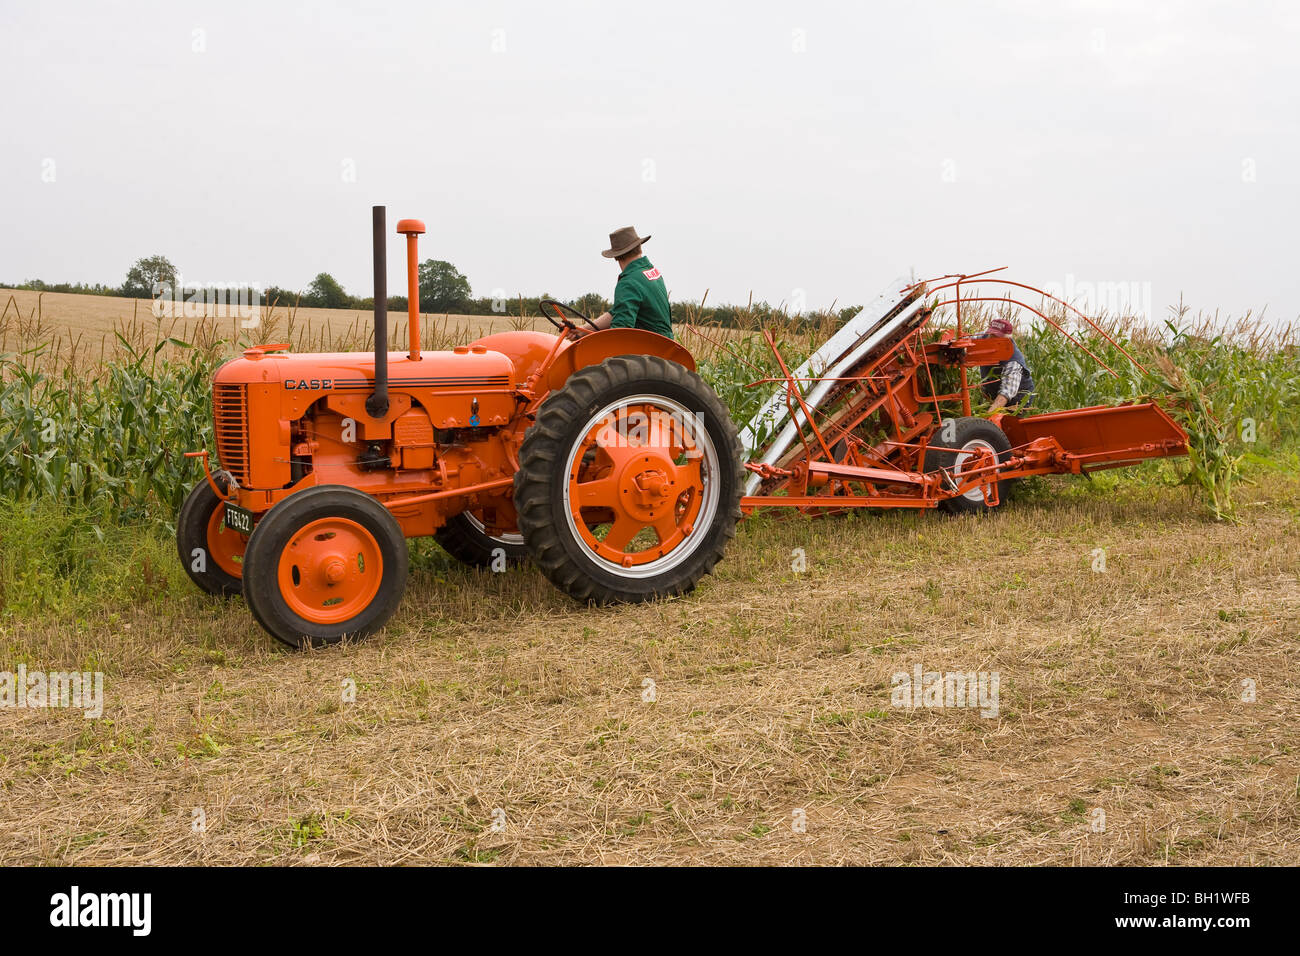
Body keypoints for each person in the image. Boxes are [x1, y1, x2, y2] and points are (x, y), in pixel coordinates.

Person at [573, 226, 673, 340]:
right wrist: (582, 331)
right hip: (665, 344)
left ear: (616, 256)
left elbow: (621, 330)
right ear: (639, 248)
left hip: (647, 349)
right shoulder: (652, 273)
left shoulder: (629, 282)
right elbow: (617, 313)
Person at [979, 317, 1035, 411]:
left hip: (1015, 401)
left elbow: (1005, 393)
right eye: (991, 335)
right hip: (992, 392)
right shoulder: (983, 338)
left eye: (997, 338)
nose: (992, 340)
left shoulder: (1013, 360)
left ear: (1007, 340)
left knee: (1004, 422)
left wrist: (988, 416)